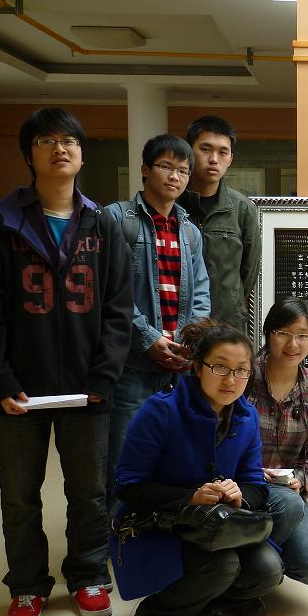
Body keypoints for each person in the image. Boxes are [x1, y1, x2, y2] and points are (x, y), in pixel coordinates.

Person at [0, 107, 133, 616]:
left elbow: (118, 308)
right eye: (46, 141)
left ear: (81, 154)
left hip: (87, 389)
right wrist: (0, 379)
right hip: (18, 391)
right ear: (29, 153)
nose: (60, 149)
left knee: (89, 493)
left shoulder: (103, 224)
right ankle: (27, 585)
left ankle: (88, 574)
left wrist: (104, 376)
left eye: (69, 141)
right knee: (19, 496)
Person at [114, 319, 283, 616]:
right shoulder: (160, 411)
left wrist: (239, 494)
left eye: (241, 370)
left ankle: (205, 602)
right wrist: (189, 497)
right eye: (220, 367)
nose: (231, 380)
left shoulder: (247, 416)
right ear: (197, 367)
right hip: (161, 525)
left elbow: (256, 485)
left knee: (268, 570)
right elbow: (129, 487)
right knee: (222, 567)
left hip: (216, 527)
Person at [106, 134, 210, 514]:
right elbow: (109, 292)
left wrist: (189, 342)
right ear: (145, 170)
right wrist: (148, 338)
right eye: (166, 167)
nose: (174, 177)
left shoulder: (189, 231)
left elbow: (201, 292)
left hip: (178, 367)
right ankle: (116, 535)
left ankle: (160, 533)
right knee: (124, 458)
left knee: (173, 456)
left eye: (183, 170)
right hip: (132, 366)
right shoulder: (117, 219)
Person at [246, 296, 308, 585]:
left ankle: (256, 563)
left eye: (302, 335)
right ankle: (252, 573)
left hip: (286, 493)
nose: (292, 344)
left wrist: (300, 479)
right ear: (268, 333)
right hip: (241, 484)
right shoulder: (244, 378)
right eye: (283, 333)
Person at [177, 115, 260, 333]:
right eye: (205, 149)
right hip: (176, 325)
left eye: (223, 152)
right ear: (189, 152)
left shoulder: (243, 209)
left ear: (230, 158)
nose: (214, 159)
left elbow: (248, 274)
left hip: (226, 325)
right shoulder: (171, 204)